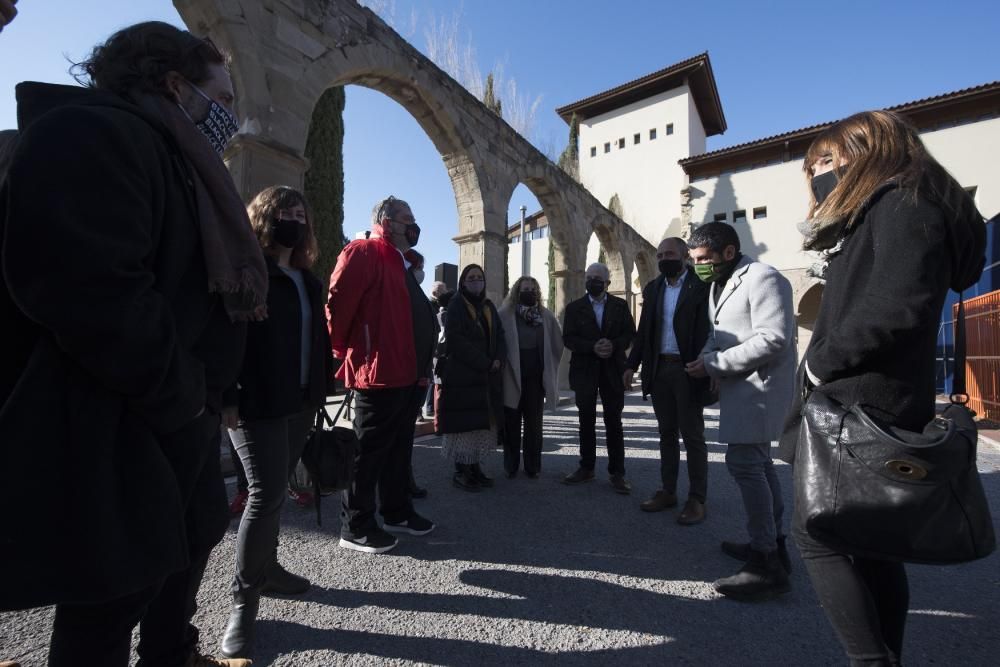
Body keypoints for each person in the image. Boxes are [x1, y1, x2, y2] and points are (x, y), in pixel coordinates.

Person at [0, 22, 262, 666]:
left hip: (171, 410)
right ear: (176, 86)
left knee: (175, 554)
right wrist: (180, 400)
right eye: (224, 98)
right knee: (107, 599)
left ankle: (171, 652)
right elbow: (91, 290)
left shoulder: (183, 161)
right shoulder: (93, 134)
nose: (234, 116)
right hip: (118, 416)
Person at [785, 111, 984, 666]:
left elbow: (898, 303)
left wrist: (821, 364)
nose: (818, 173)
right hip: (878, 396)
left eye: (826, 160)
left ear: (867, 150)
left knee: (816, 534)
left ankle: (871, 661)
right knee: (872, 544)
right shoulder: (902, 202)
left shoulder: (902, 200)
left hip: (862, 400)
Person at [219, 185, 333, 657]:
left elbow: (315, 337)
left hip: (300, 400)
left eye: (300, 212)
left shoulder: (307, 277)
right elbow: (225, 331)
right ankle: (242, 603)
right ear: (264, 217)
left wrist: (323, 388)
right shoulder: (249, 269)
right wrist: (226, 393)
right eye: (284, 211)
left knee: (278, 485)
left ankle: (268, 568)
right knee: (263, 493)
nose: (294, 219)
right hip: (257, 400)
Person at [684, 221, 796, 602]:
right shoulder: (720, 283)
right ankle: (771, 545)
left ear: (728, 253)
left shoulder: (763, 278)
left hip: (760, 390)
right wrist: (705, 359)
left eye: (703, 259)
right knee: (759, 466)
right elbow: (718, 334)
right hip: (742, 390)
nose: (697, 265)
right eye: (693, 259)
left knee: (746, 465)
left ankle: (766, 563)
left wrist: (716, 364)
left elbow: (773, 338)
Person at [327, 196, 437, 553]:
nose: (414, 224)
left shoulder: (402, 263)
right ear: (387, 222)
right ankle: (355, 526)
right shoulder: (364, 251)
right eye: (408, 218)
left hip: (408, 373)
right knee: (368, 453)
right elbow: (339, 302)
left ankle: (397, 511)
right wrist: (341, 352)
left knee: (398, 449)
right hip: (378, 373)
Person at [624, 237, 711, 524]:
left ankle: (697, 498)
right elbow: (643, 332)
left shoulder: (702, 287)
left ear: (685, 255)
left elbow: (712, 330)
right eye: (660, 255)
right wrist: (631, 365)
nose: (663, 259)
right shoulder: (653, 288)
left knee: (693, 436)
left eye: (669, 253)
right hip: (660, 369)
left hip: (689, 370)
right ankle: (668, 490)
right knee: (666, 434)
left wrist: (713, 366)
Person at [562, 263, 636, 493]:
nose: (592, 281)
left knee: (614, 422)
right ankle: (586, 467)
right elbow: (569, 338)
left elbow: (629, 334)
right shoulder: (574, 308)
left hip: (613, 370)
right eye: (589, 277)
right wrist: (592, 346)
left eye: (597, 278)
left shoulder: (620, 306)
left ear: (607, 283)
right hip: (585, 370)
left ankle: (617, 473)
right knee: (586, 420)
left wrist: (612, 345)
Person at [436, 264, 506, 490]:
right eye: (471, 277)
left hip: (485, 378)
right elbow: (456, 340)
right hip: (463, 377)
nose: (476, 281)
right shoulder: (456, 304)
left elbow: (500, 335)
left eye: (479, 277)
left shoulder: (488, 305)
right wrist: (486, 362)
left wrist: (498, 358)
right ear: (463, 282)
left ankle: (475, 467)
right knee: (463, 426)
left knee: (478, 426)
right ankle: (461, 470)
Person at [498, 276, 564, 479]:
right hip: (511, 376)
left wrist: (549, 369)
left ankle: (532, 466)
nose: (530, 292)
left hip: (536, 379)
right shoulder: (505, 314)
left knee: (534, 425)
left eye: (534, 289)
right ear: (517, 292)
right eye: (526, 289)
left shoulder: (546, 316)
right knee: (511, 424)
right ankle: (510, 465)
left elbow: (557, 344)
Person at [403, 248, 432, 498]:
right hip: (403, 373)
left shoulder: (415, 291)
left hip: (418, 373)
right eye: (418, 267)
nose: (422, 272)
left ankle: (404, 480)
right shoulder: (403, 291)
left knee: (405, 435)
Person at [424, 281, 450, 419]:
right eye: (444, 291)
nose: (446, 293)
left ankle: (430, 408)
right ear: (437, 293)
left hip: (435, 349)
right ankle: (430, 409)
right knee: (433, 380)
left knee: (433, 380)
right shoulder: (431, 307)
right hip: (434, 349)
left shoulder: (437, 307)